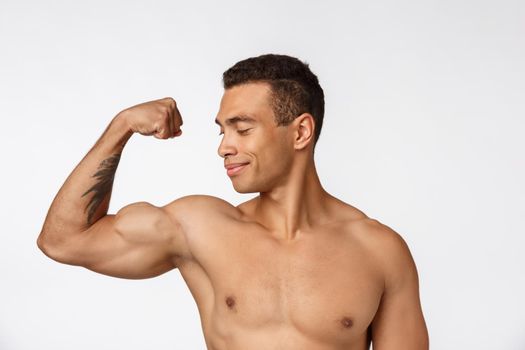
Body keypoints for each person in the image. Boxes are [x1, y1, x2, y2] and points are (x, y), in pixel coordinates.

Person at [37, 54, 429, 350]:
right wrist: (120, 127)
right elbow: (63, 240)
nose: (225, 147)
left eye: (242, 129)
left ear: (300, 132)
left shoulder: (378, 251)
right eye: (223, 131)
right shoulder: (200, 228)